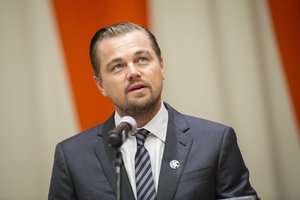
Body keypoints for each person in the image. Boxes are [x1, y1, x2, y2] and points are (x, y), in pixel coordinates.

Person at [48, 22, 258, 200]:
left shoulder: (215, 141)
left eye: (142, 59)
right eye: (118, 66)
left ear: (162, 66)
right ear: (100, 85)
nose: (133, 72)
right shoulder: (72, 157)